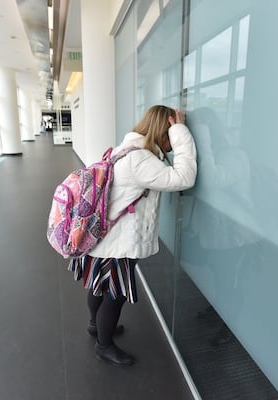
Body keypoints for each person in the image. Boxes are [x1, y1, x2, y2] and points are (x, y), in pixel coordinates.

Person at [68, 105, 197, 367]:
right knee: (114, 296)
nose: (171, 144)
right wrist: (182, 132)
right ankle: (104, 346)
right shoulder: (142, 160)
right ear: (165, 132)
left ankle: (96, 327)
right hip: (118, 243)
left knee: (98, 286)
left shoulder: (124, 149)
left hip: (99, 235)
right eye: (170, 135)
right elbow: (183, 178)